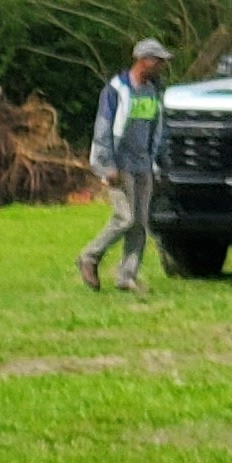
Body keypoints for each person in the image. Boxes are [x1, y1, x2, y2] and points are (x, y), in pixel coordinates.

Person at [77, 38, 168, 292]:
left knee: (140, 223)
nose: (161, 66)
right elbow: (103, 130)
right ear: (143, 60)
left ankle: (127, 276)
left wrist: (158, 164)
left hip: (144, 165)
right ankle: (89, 256)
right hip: (119, 165)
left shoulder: (154, 90)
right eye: (158, 61)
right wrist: (107, 167)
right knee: (125, 218)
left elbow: (158, 130)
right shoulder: (116, 90)